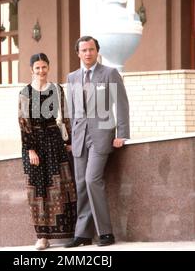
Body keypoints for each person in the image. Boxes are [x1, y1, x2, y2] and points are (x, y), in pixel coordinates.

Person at [65, 36, 130, 247]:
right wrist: (70, 137)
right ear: (78, 53)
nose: (87, 53)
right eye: (83, 50)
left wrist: (122, 133)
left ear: (97, 51)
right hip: (79, 137)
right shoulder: (72, 77)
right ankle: (83, 234)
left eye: (91, 49)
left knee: (93, 179)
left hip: (102, 136)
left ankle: (106, 233)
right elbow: (72, 112)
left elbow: (121, 104)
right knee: (81, 183)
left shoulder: (109, 74)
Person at [18, 53, 77, 250]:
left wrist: (68, 139)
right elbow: (23, 123)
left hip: (54, 141)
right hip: (34, 145)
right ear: (31, 70)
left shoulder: (57, 89)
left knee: (62, 187)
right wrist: (30, 150)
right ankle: (42, 237)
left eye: (44, 67)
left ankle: (69, 233)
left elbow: (65, 115)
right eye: (37, 68)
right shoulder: (25, 93)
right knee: (38, 191)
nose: (41, 71)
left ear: (48, 68)